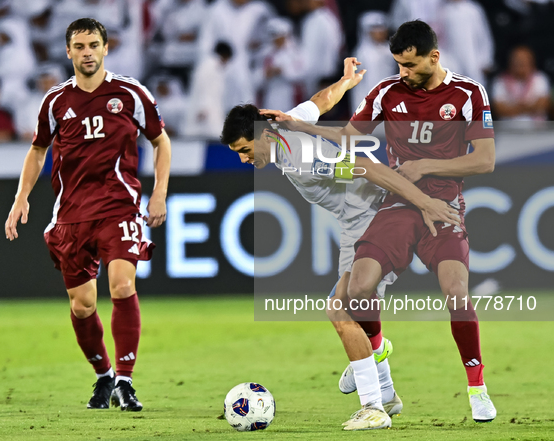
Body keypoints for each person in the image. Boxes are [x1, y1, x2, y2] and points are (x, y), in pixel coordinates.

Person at [275, 20, 498, 427]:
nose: (403, 74)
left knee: (457, 294)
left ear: (434, 57)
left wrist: (426, 164)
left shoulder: (467, 94)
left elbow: (485, 160)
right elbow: (348, 137)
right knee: (358, 287)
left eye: (410, 66)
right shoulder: (386, 92)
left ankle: (476, 387)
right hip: (397, 205)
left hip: (444, 206)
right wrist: (302, 126)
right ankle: (377, 355)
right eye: (397, 65)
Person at [221, 57, 462, 431]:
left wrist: (424, 202)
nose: (242, 157)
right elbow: (319, 102)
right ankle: (385, 392)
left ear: (262, 135)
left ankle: (373, 407)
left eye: (244, 148)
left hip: (376, 217)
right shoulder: (282, 125)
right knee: (353, 312)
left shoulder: (304, 157)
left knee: (340, 310)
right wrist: (347, 81)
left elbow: (371, 168)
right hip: (354, 224)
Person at [4, 18, 171, 412]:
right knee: (82, 305)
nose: (87, 52)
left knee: (121, 285)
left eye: (93, 45)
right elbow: (37, 151)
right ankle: (103, 376)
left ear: (105, 48)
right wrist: (20, 197)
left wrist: (159, 193)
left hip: (118, 206)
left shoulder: (130, 94)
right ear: (68, 52)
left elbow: (161, 141)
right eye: (79, 46)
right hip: (72, 215)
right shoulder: (55, 101)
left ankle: (126, 381)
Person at [492, 45, 551, 122]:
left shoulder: (540, 78)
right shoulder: (500, 81)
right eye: (517, 62)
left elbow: (543, 105)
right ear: (510, 63)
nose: (520, 65)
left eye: (523, 61)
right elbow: (498, 109)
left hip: (536, 129)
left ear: (531, 62)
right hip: (507, 130)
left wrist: (514, 108)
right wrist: (529, 108)